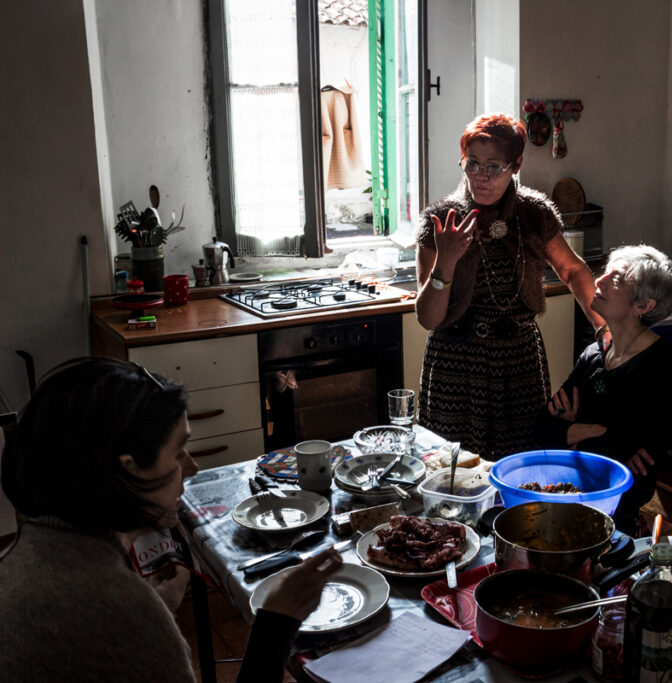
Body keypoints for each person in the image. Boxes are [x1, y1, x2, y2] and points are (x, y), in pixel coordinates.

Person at [0, 357, 343, 682]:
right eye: (177, 452)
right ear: (128, 469)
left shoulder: (24, 556)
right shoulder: (124, 613)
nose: (192, 468)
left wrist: (156, 607)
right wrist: (275, 624)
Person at [415, 112, 606, 460]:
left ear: (515, 165)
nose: (480, 177)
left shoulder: (534, 214)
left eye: (493, 167)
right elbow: (428, 318)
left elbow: (572, 271)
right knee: (453, 469)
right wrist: (446, 260)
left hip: (518, 363)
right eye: (472, 164)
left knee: (521, 464)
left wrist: (604, 327)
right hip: (455, 366)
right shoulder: (442, 221)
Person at [537, 245, 672, 534]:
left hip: (615, 508)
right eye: (604, 273)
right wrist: (597, 435)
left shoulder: (661, 364)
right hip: (574, 490)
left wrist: (575, 432)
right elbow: (543, 429)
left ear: (643, 306)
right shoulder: (594, 354)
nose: (599, 281)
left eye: (615, 280)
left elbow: (633, 462)